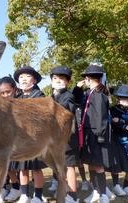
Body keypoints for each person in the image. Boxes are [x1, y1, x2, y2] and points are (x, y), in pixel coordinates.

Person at [73, 64, 111, 203]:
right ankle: (96, 191)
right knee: (91, 163)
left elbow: (100, 115)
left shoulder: (99, 94)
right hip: (88, 133)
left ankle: (103, 195)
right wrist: (77, 88)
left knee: (98, 165)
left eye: (86, 78)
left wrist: (100, 133)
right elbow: (76, 100)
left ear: (88, 78)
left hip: (96, 134)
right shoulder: (89, 93)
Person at [13, 66, 47, 203]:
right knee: (22, 168)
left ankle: (38, 196)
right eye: (21, 77)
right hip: (20, 139)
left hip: (35, 138)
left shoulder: (40, 95)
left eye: (27, 76)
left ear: (34, 80)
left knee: (36, 168)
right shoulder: (17, 97)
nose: (24, 79)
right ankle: (24, 195)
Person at [50, 66, 79, 203]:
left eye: (61, 78)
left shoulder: (68, 96)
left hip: (67, 137)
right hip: (54, 138)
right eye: (55, 78)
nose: (58, 81)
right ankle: (64, 191)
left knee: (69, 166)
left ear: (67, 82)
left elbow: (67, 111)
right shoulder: (51, 96)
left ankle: (73, 195)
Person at [0, 76, 21, 202]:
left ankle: (23, 190)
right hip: (5, 142)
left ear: (14, 90)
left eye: (8, 92)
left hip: (20, 141)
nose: (6, 95)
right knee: (8, 167)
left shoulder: (21, 103)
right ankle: (14, 187)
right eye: (2, 93)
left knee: (24, 168)